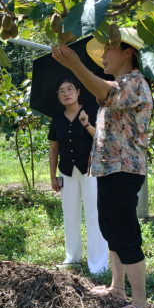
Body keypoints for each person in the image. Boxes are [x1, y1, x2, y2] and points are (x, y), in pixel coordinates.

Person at [51, 27, 152, 308]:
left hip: (124, 168)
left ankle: (141, 305)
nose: (104, 55)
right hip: (109, 169)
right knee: (111, 229)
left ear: (127, 52)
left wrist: (74, 65)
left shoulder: (135, 83)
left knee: (124, 232)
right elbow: (103, 87)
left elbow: (102, 89)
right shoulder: (121, 83)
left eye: (109, 49)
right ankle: (117, 288)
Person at [48, 77, 109, 273]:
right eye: (62, 91)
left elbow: (101, 139)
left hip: (90, 169)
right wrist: (52, 177)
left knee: (94, 214)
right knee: (70, 214)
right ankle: (72, 257)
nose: (66, 93)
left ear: (78, 91)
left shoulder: (91, 110)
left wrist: (86, 124)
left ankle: (98, 264)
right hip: (67, 170)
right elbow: (54, 149)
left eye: (70, 89)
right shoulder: (57, 119)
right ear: (58, 97)